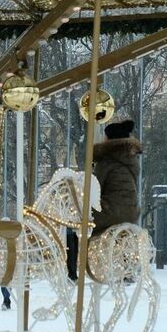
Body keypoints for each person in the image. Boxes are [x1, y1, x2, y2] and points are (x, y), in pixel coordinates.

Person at [67, 119, 142, 281]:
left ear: (110, 140)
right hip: (132, 213)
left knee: (74, 226)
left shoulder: (107, 162)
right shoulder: (130, 162)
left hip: (111, 213)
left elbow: (95, 189)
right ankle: (126, 268)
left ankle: (71, 271)